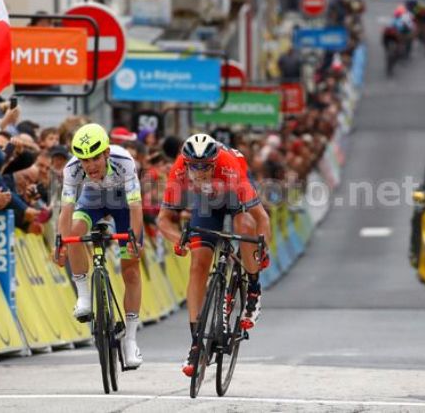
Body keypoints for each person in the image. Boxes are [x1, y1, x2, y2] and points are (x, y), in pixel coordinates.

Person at [156, 133, 272, 377]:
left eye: (206, 167)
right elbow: (163, 220)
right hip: (206, 204)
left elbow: (262, 218)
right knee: (198, 264)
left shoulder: (229, 166)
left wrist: (263, 251)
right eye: (194, 167)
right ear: (186, 163)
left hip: (234, 197)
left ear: (214, 161)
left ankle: (252, 289)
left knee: (247, 227)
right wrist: (179, 241)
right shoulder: (178, 169)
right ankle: (196, 344)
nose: (200, 172)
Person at [55, 123, 145, 368]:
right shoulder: (72, 169)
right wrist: (61, 243)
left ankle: (131, 341)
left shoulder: (124, 160)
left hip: (123, 204)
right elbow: (66, 209)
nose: (90, 165)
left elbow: (136, 207)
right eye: (84, 160)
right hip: (91, 202)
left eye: (95, 158)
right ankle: (84, 297)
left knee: (131, 268)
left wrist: (134, 240)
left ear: (106, 153)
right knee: (73, 232)